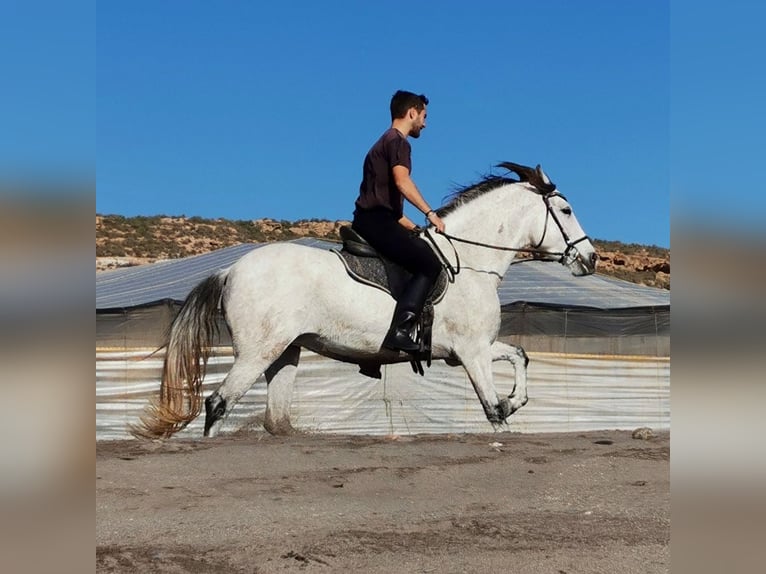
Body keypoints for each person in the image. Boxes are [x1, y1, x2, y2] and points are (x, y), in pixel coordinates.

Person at [352, 90, 446, 353]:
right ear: (412, 112)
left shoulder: (379, 144)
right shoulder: (399, 143)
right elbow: (402, 182)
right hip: (377, 223)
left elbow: (389, 206)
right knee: (429, 264)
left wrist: (416, 228)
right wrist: (430, 213)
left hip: (374, 220)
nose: (425, 124)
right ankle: (401, 331)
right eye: (424, 116)